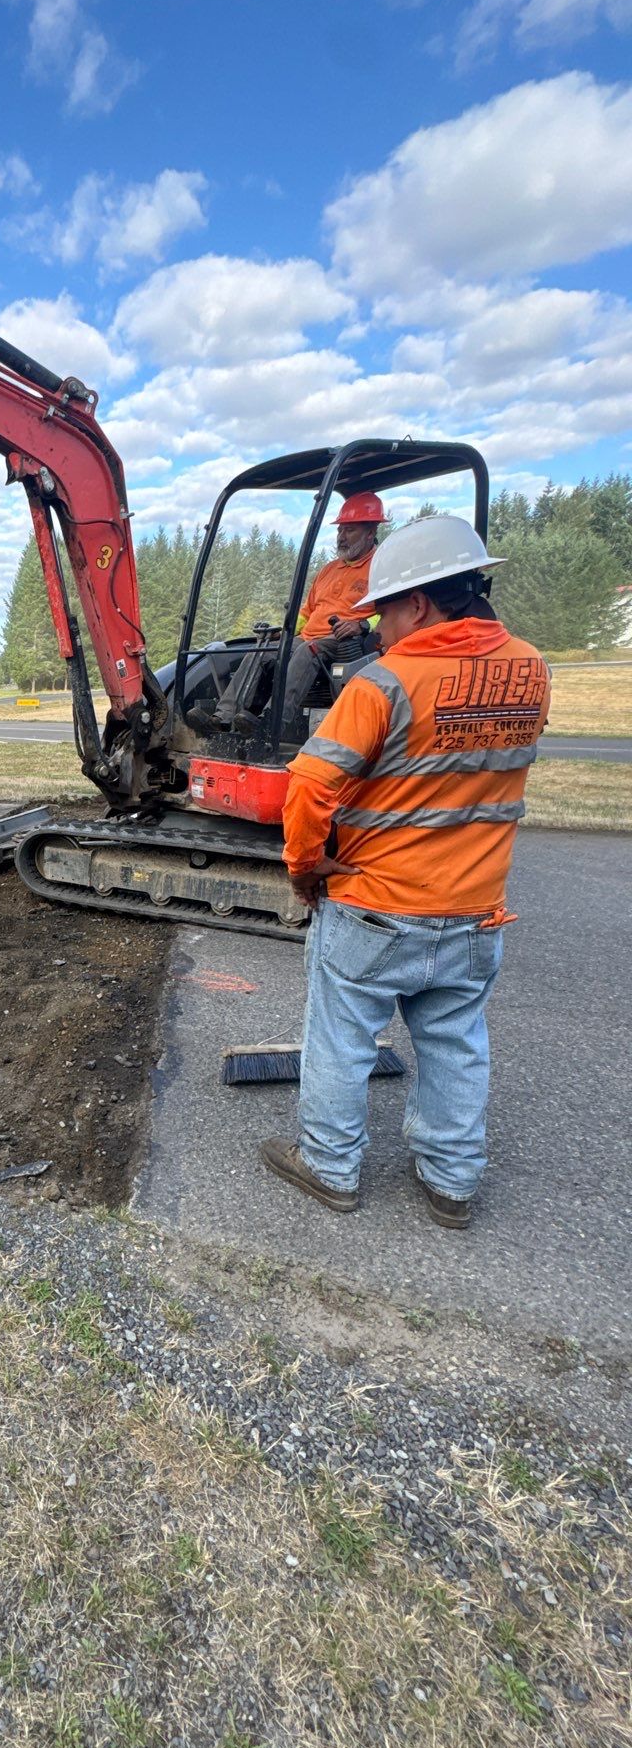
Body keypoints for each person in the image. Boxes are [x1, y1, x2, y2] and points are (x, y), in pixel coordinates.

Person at [260, 516, 549, 1228]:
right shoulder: (533, 671)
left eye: (384, 611)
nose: (378, 629)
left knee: (339, 1037)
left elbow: (309, 788)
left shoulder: (383, 684)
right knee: (454, 1040)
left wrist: (305, 870)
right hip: (477, 910)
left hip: (376, 908)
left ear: (419, 603)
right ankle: (452, 1182)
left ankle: (330, 1168)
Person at [211, 492, 386, 731]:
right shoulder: (329, 570)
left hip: (346, 642)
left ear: (371, 531)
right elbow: (307, 613)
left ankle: (272, 724)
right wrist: (285, 633)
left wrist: (362, 625)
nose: (342, 537)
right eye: (340, 530)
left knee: (307, 650)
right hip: (308, 636)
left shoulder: (381, 567)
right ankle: (224, 717)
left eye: (350, 530)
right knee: (261, 651)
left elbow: (388, 614)